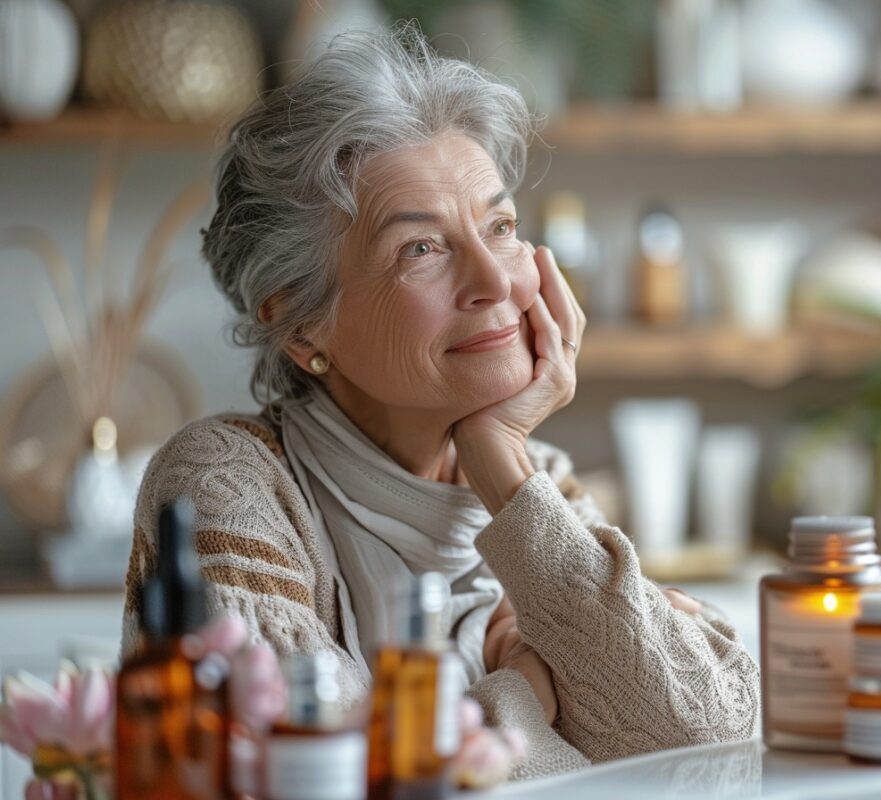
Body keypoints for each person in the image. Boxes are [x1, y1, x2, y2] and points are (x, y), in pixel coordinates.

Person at [122, 25, 759, 781]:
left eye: (501, 227)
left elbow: (712, 738)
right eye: (420, 249)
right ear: (299, 323)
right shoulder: (228, 482)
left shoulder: (535, 486)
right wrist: (522, 694)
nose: (494, 279)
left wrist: (502, 466)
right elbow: (326, 779)